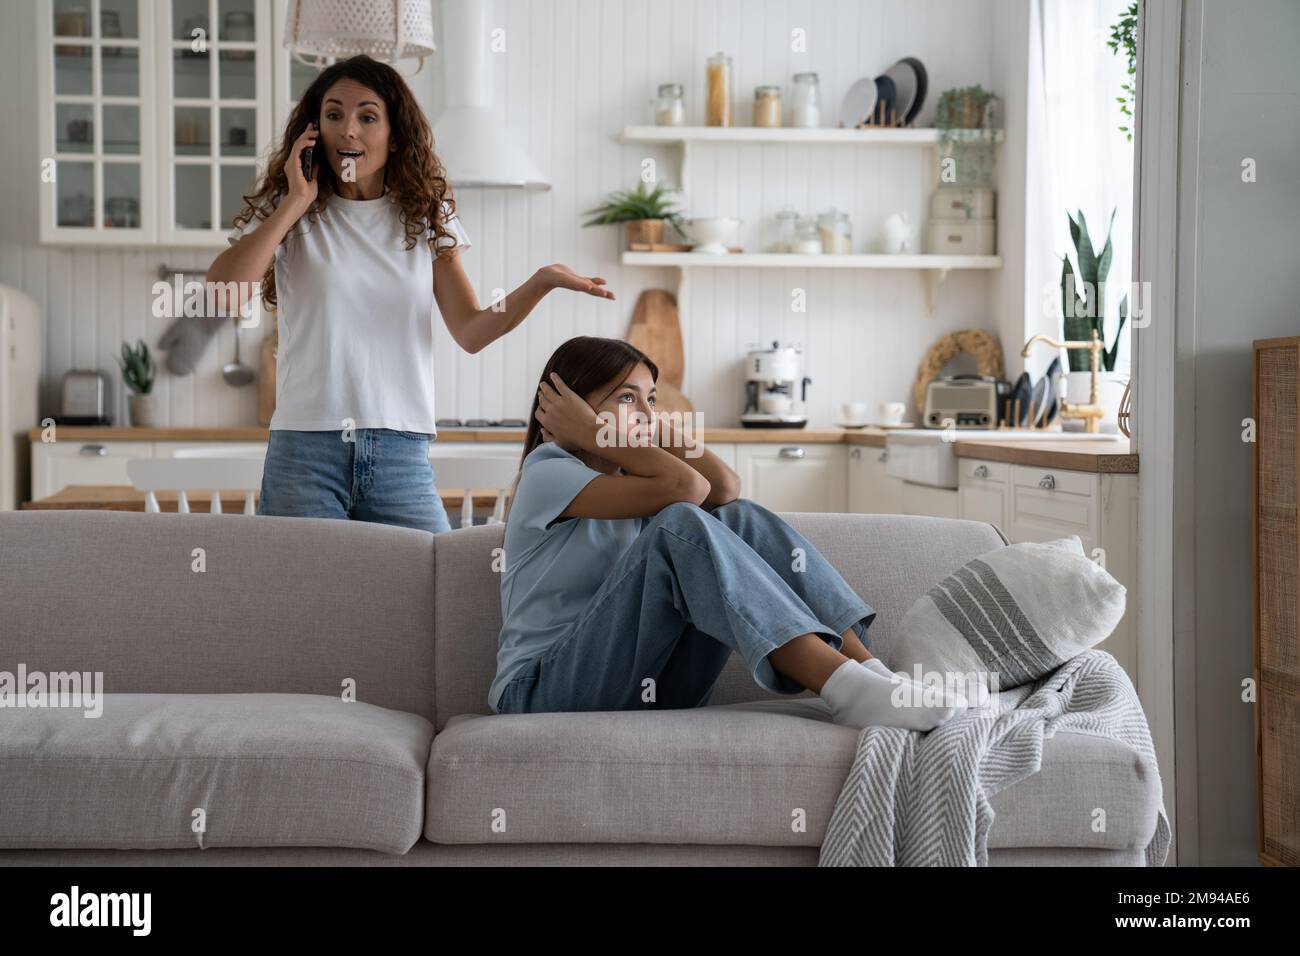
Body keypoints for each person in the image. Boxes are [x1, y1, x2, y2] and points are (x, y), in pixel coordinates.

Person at [208, 55, 613, 533]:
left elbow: (472, 329)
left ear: (395, 134)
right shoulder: (291, 209)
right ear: (313, 130)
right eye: (334, 115)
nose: (348, 130)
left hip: (399, 450)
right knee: (304, 604)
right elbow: (224, 296)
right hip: (305, 448)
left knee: (429, 591)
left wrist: (540, 281)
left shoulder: (424, 215)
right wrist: (296, 202)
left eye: (367, 116)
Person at [488, 336, 970, 730]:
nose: (645, 414)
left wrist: (644, 423)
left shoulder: (628, 481)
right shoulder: (548, 472)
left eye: (650, 399)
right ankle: (843, 688)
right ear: (568, 410)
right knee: (680, 524)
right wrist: (592, 433)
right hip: (543, 692)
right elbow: (687, 486)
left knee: (738, 515)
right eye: (626, 398)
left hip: (646, 688)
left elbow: (723, 486)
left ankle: (872, 674)